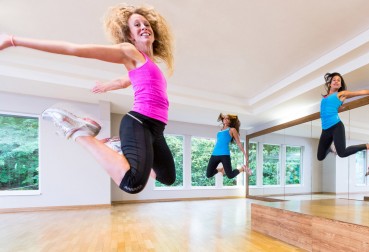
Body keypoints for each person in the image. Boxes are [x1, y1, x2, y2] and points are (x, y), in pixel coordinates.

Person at [0, 4, 176, 194]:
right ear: (130, 36)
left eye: (146, 23)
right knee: (132, 183)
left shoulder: (149, 65)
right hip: (139, 122)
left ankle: (118, 147)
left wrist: (109, 85)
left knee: (167, 177)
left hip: (157, 129)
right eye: (137, 25)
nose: (143, 27)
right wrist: (12, 40)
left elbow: (126, 80)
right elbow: (74, 49)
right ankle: (79, 132)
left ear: (154, 34)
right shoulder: (130, 51)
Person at [317, 72, 369, 161]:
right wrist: (339, 107)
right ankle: (331, 148)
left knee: (342, 153)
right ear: (330, 84)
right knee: (320, 157)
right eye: (334, 80)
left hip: (336, 126)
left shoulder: (341, 94)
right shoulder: (325, 97)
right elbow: (328, 108)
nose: (336, 81)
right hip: (325, 129)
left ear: (340, 84)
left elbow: (360, 92)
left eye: (339, 80)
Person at [206, 113, 251, 179]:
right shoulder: (220, 130)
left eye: (227, 118)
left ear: (230, 121)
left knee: (230, 176)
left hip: (225, 155)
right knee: (208, 174)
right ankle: (220, 170)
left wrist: (245, 154)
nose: (225, 119)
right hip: (214, 154)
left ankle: (242, 168)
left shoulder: (232, 130)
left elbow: (239, 143)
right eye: (224, 118)